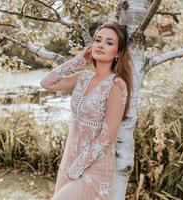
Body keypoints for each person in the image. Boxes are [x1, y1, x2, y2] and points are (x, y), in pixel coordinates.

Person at [40, 21, 133, 200]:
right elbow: (46, 83)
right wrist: (78, 60)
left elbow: (108, 133)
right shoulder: (83, 77)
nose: (101, 45)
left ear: (118, 53)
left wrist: (79, 166)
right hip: (71, 157)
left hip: (96, 167)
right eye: (98, 40)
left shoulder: (116, 85)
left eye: (109, 42)